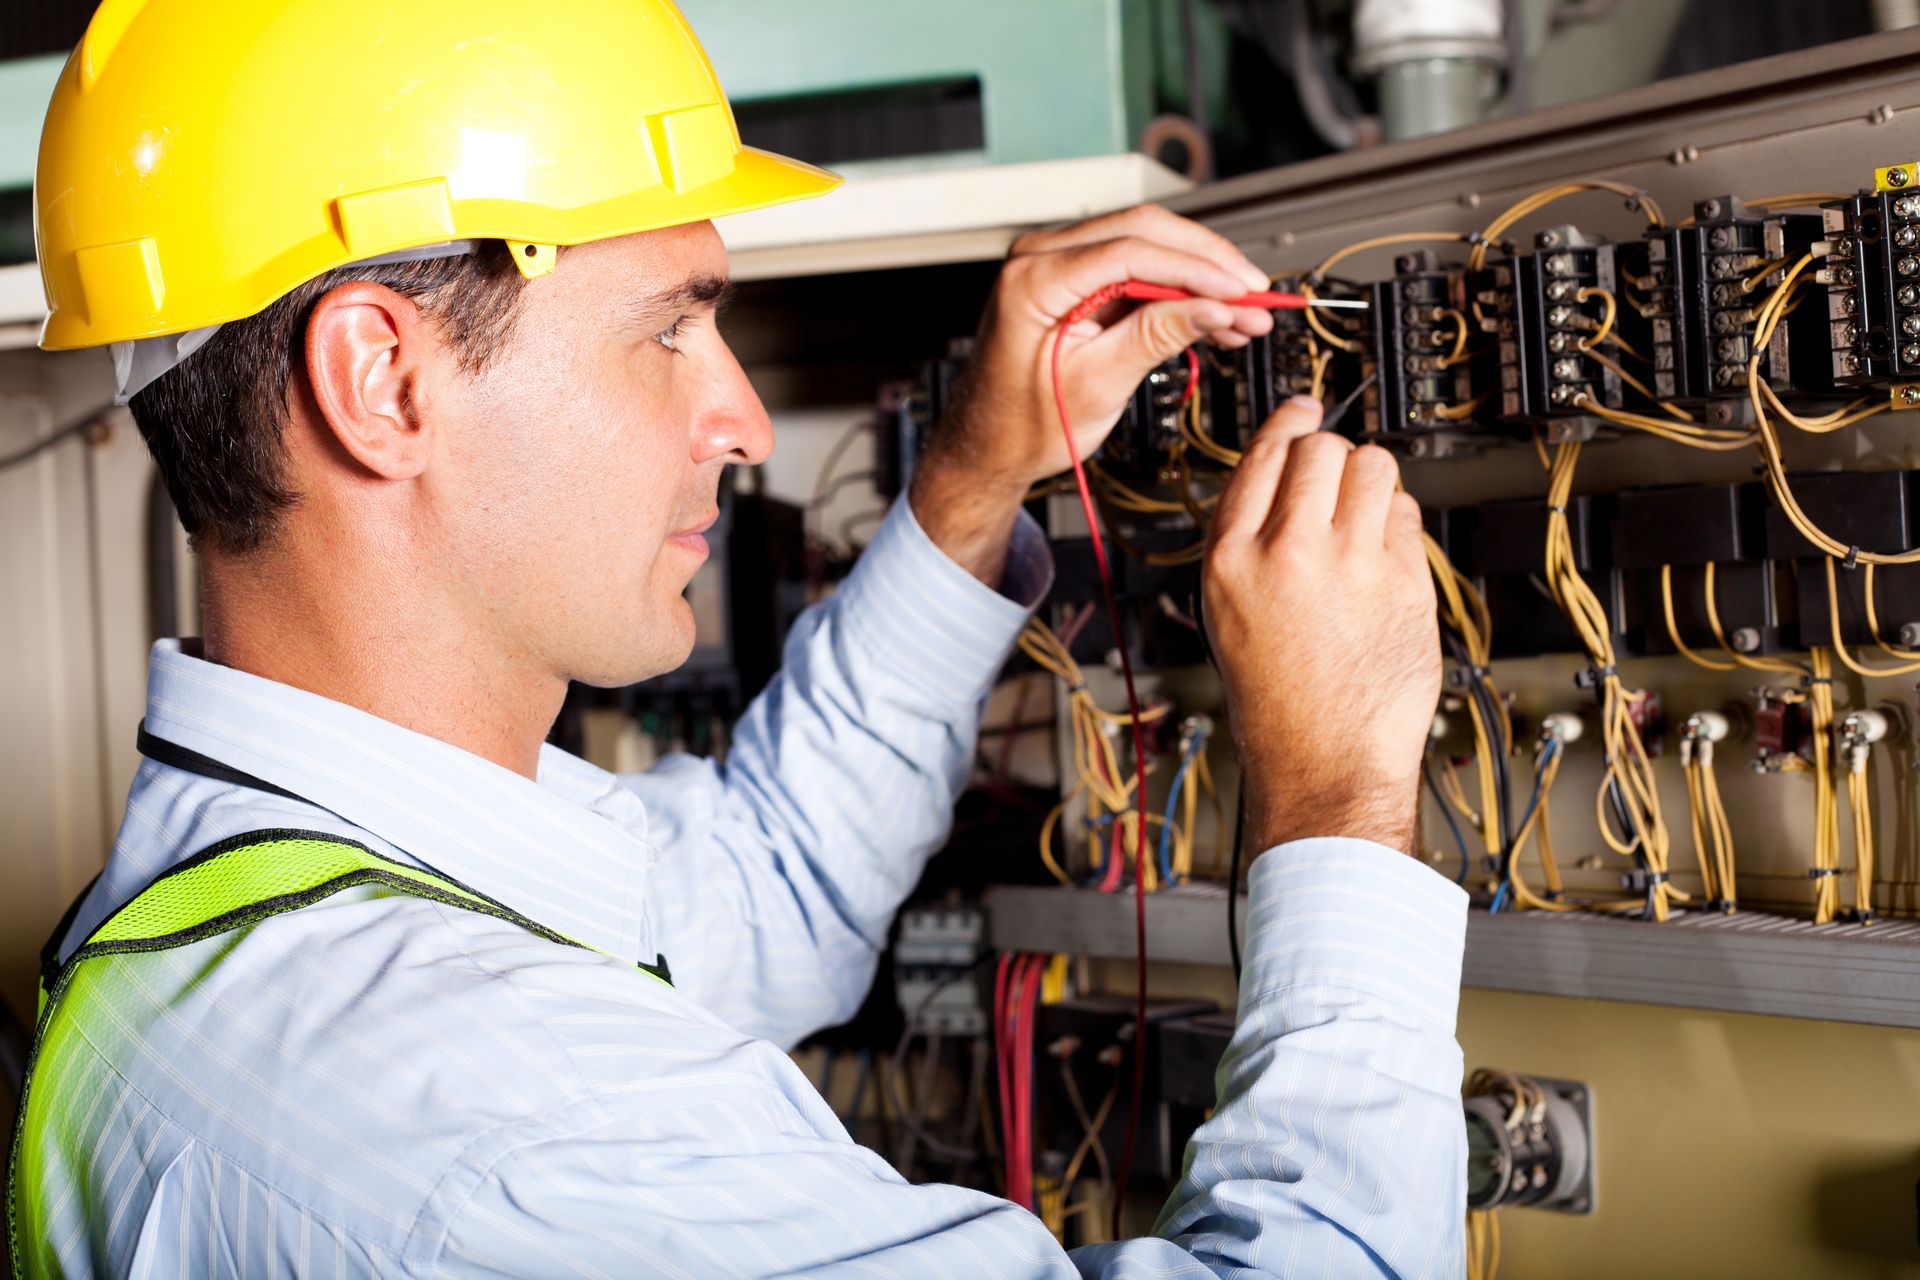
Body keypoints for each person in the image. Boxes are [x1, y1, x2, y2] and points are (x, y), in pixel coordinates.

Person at [14, 1, 1463, 1275]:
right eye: (665, 332)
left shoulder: (246, 909)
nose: (744, 423)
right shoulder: (509, 1132)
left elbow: (769, 888)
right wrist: (1336, 796)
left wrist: (963, 485)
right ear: (383, 382)